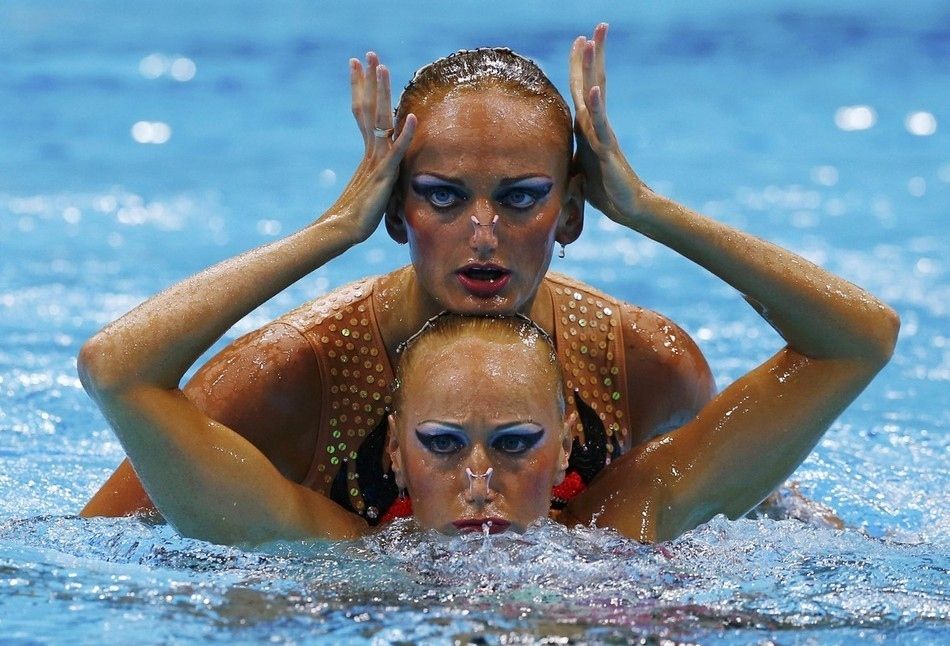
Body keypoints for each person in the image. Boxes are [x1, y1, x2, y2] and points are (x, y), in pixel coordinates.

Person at [79, 25, 898, 530]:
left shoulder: (641, 361)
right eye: (440, 198)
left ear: (571, 212)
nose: (482, 236)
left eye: (520, 199)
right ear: (394, 213)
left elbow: (695, 513)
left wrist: (647, 208)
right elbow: (97, 553)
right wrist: (331, 232)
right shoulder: (287, 375)